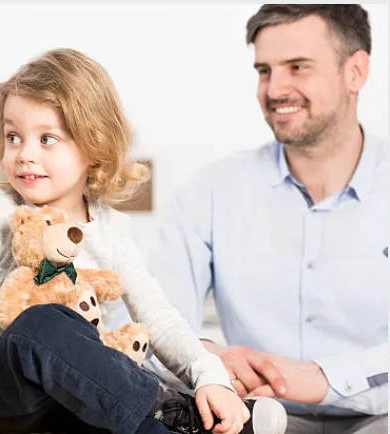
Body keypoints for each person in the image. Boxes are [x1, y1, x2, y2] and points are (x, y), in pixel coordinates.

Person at [0, 48, 287, 434]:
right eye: (13, 137)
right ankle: (173, 407)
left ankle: (187, 420)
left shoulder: (111, 229)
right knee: (43, 323)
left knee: (117, 405)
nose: (24, 154)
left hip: (69, 395)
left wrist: (211, 376)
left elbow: (157, 316)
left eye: (46, 139)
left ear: (93, 147)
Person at [147, 5, 388, 434]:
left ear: (356, 72)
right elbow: (144, 326)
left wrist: (325, 378)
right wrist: (204, 356)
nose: (276, 89)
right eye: (264, 71)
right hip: (253, 418)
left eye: (298, 67)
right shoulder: (211, 192)